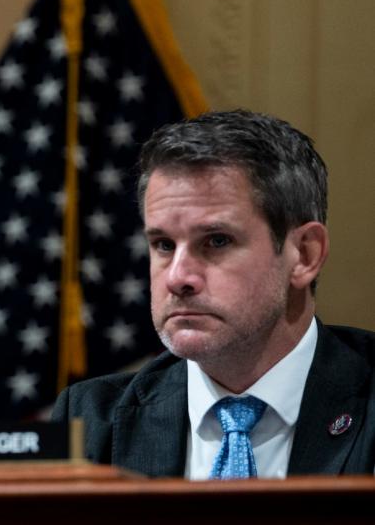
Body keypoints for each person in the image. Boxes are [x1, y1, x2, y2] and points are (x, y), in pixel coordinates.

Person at [53, 109, 375, 479]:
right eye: (162, 245)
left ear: (304, 255)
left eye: (217, 241)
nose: (178, 278)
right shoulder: (90, 421)